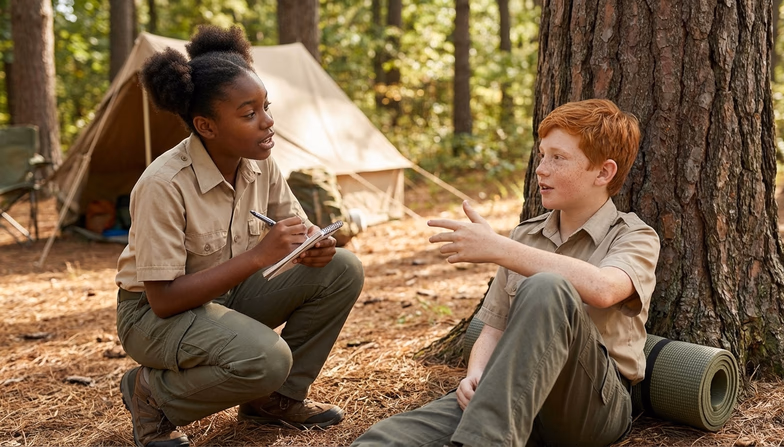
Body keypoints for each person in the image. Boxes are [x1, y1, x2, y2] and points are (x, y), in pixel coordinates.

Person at [351, 99, 660, 447]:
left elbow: (604, 288)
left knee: (548, 287)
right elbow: (494, 327)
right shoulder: (526, 236)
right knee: (382, 440)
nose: (541, 169)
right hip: (510, 395)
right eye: (542, 155)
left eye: (558, 158)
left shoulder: (634, 235)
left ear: (603, 173)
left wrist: (500, 248)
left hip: (591, 407)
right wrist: (476, 374)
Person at [115, 25, 364, 447]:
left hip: (223, 298)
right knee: (267, 359)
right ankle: (151, 395)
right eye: (249, 114)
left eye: (266, 107)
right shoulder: (164, 183)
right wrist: (257, 257)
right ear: (206, 126)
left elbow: (297, 231)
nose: (268, 122)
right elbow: (164, 299)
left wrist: (314, 247)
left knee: (343, 269)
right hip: (153, 316)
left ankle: (274, 401)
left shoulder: (261, 163)